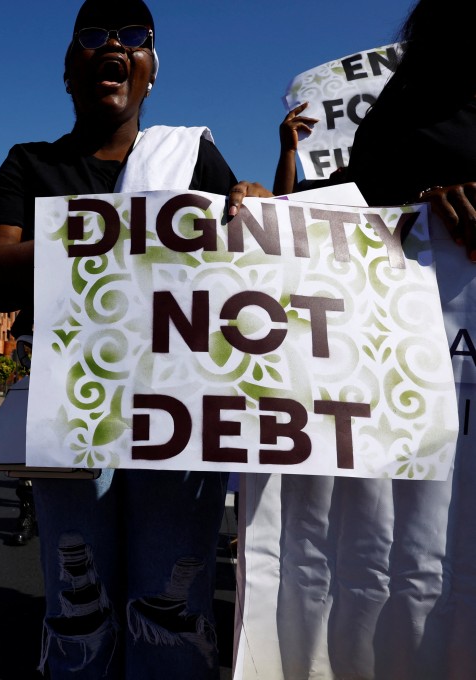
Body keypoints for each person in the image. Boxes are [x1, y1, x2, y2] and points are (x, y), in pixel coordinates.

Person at [0, 1, 260, 674]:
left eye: (134, 37)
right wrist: (119, 236)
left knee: (171, 602)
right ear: (69, 70)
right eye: (93, 35)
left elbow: (253, 268)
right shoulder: (30, 164)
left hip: (179, 414)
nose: (114, 45)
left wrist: (253, 204)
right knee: (81, 605)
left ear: (151, 71)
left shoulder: (193, 161)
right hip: (72, 407)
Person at [239, 3, 476, 677]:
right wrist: (271, 204)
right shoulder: (395, 127)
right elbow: (339, 214)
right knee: (387, 565)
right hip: (393, 381)